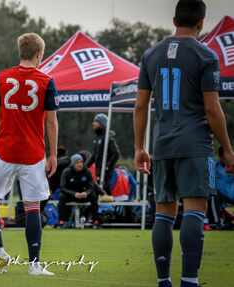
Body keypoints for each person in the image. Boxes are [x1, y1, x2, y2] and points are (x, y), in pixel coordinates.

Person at [134, 1, 234, 287]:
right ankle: (189, 280)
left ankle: (163, 280)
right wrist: (227, 148)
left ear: (175, 18)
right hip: (196, 145)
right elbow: (213, 109)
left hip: (162, 144)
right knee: (195, 210)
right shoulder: (206, 55)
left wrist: (140, 146)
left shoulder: (151, 54)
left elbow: (140, 106)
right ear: (201, 22)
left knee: (164, 212)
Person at [0, 33, 59, 276]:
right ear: (39, 54)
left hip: (5, 149)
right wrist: (53, 154)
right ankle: (34, 265)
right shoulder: (47, 80)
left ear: (20, 51)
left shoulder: (2, 78)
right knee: (33, 206)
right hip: (33, 153)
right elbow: (51, 122)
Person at [58, 154, 102, 226]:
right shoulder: (66, 172)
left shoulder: (87, 171)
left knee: (93, 195)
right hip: (71, 195)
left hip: (84, 195)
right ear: (73, 163)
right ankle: (62, 220)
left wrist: (86, 193)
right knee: (62, 196)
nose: (80, 164)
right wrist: (74, 194)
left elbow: (91, 186)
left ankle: (95, 219)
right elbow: (62, 187)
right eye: (77, 162)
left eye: (81, 162)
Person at [85, 113, 120, 194]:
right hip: (98, 171)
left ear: (102, 124)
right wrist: (85, 166)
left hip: (106, 172)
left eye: (96, 121)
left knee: (104, 188)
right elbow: (94, 156)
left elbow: (116, 154)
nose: (93, 123)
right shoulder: (97, 138)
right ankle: (107, 204)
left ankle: (109, 206)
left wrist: (107, 166)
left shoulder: (108, 137)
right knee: (101, 190)